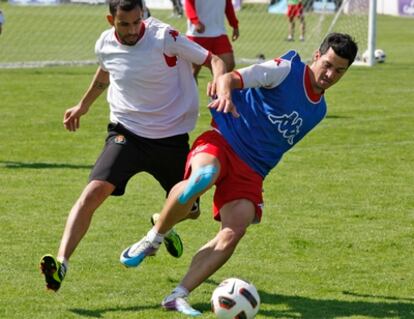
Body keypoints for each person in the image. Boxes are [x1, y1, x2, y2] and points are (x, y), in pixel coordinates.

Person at [120, 32, 358, 316]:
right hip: (223, 139)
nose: (330, 74)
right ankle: (153, 239)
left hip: (253, 170)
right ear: (317, 57)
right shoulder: (286, 69)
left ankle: (178, 294)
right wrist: (225, 95)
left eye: (339, 71)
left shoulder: (319, 111)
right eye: (327, 65)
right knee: (203, 176)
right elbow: (231, 78)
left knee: (235, 231)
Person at [39, 0, 226, 292]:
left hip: (172, 138)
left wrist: (218, 84)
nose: (131, 30)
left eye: (136, 22)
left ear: (143, 17)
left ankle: (163, 223)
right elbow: (105, 72)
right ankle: (61, 263)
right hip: (127, 132)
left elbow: (213, 59)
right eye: (123, 24)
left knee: (192, 210)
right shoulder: (105, 44)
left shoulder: (164, 37)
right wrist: (83, 105)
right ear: (110, 19)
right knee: (93, 192)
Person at [184, 0, 239, 82]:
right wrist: (195, 21)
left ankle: (216, 92)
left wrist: (234, 25)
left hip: (219, 33)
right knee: (192, 72)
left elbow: (228, 5)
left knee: (228, 65)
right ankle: (190, 94)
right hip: (197, 35)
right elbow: (188, 3)